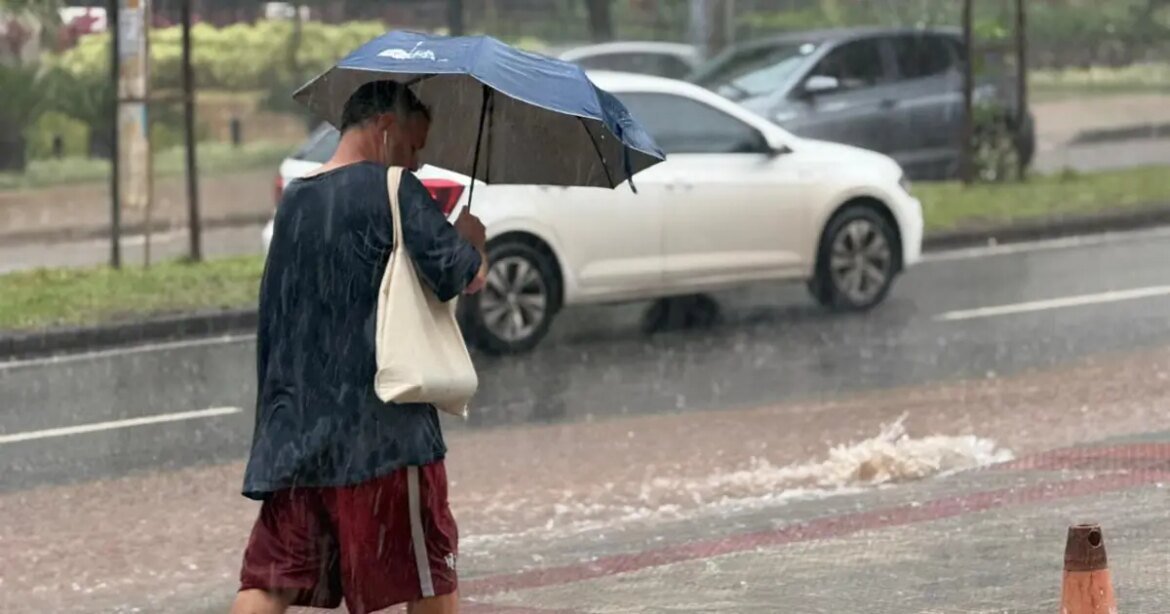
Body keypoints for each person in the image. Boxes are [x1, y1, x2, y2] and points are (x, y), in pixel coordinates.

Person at [231, 80, 488, 614]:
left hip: (299, 441)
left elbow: (278, 315)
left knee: (271, 578)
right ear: (386, 128)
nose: (416, 163)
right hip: (384, 436)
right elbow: (463, 277)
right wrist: (473, 240)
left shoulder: (297, 199)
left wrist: (276, 430)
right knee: (429, 574)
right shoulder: (393, 188)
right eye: (415, 147)